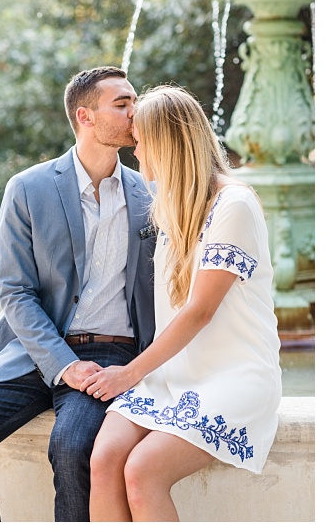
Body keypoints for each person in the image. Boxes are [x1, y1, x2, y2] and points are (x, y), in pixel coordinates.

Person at [0, 66, 156, 521]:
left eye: (135, 101)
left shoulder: (149, 192)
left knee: (73, 451)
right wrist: (63, 364)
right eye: (123, 104)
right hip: (34, 352)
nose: (136, 111)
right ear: (85, 117)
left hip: (112, 359)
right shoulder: (28, 188)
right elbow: (14, 291)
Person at [85, 86, 281, 521]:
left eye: (141, 143)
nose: (136, 155)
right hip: (170, 374)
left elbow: (199, 310)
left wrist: (129, 373)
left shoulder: (235, 204)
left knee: (142, 471)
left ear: (167, 143)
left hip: (233, 374)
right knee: (103, 461)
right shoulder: (170, 204)